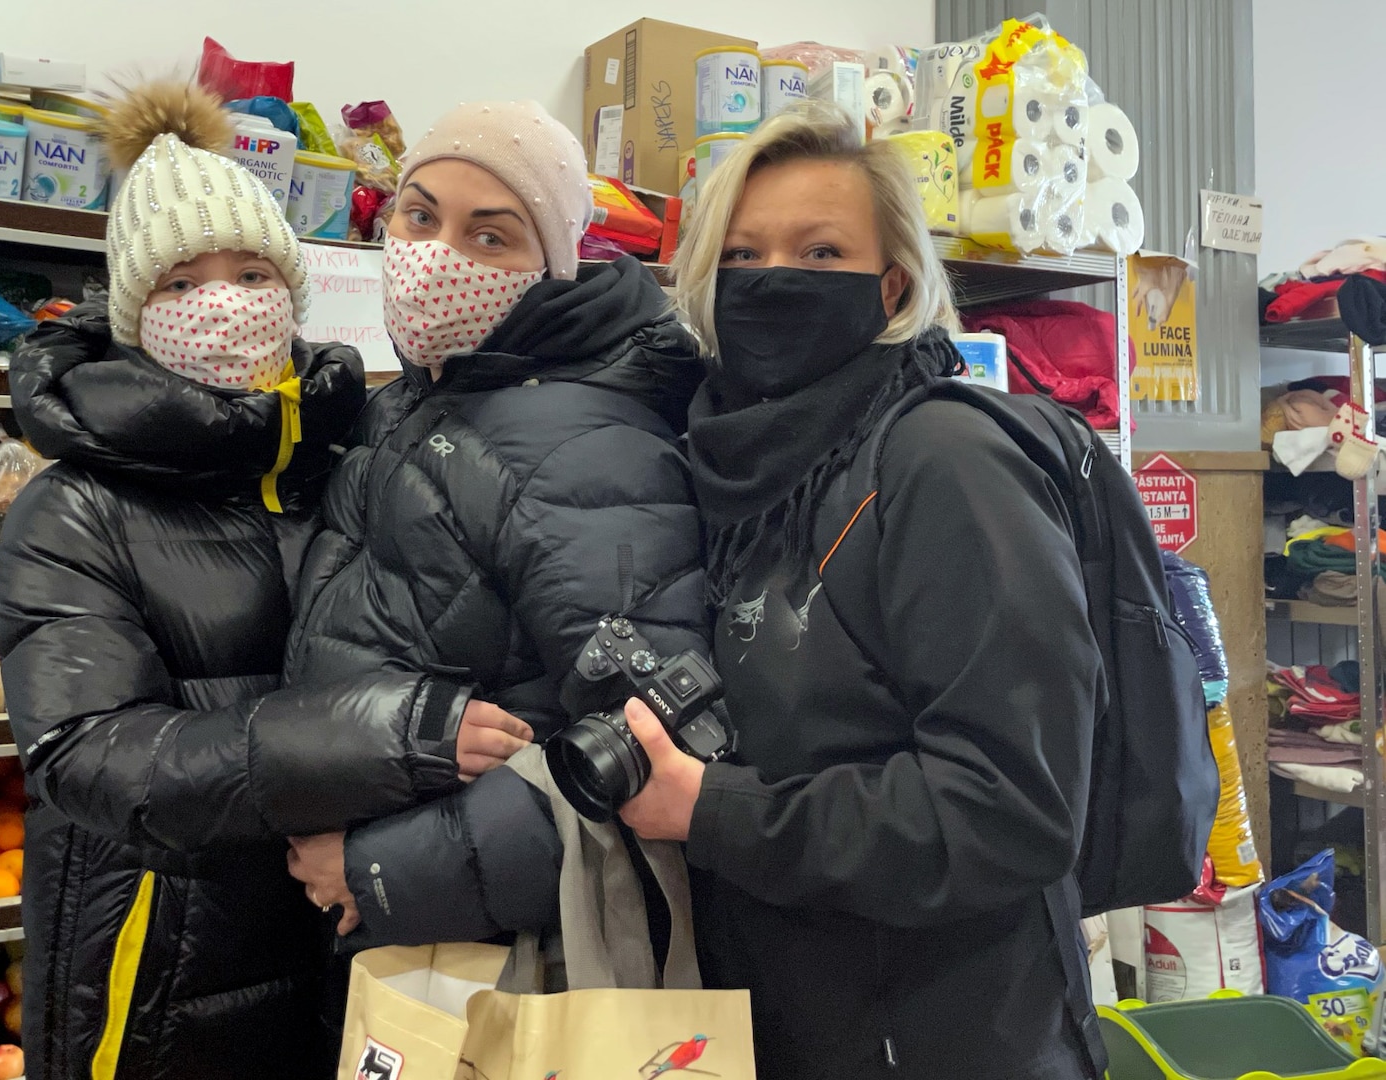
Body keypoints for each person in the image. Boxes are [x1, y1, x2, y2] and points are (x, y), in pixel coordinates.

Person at [615, 104, 1104, 1080]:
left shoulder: (946, 463)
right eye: (744, 253)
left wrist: (718, 813)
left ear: (892, 285)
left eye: (820, 249)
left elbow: (1012, 808)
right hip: (801, 1022)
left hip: (946, 1039)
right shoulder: (737, 468)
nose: (773, 279)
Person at [0, 81, 365, 1080]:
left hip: (346, 935)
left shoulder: (345, 468)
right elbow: (90, 753)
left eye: (252, 271)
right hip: (158, 963)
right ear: (132, 316)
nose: (226, 304)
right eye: (181, 284)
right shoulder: (74, 510)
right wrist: (366, 755)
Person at [277, 100, 708, 962]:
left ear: (550, 265)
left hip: (490, 954)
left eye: (491, 237)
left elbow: (653, 742)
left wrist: (379, 869)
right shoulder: (411, 400)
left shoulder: (584, 446)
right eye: (422, 215)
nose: (436, 258)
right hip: (386, 931)